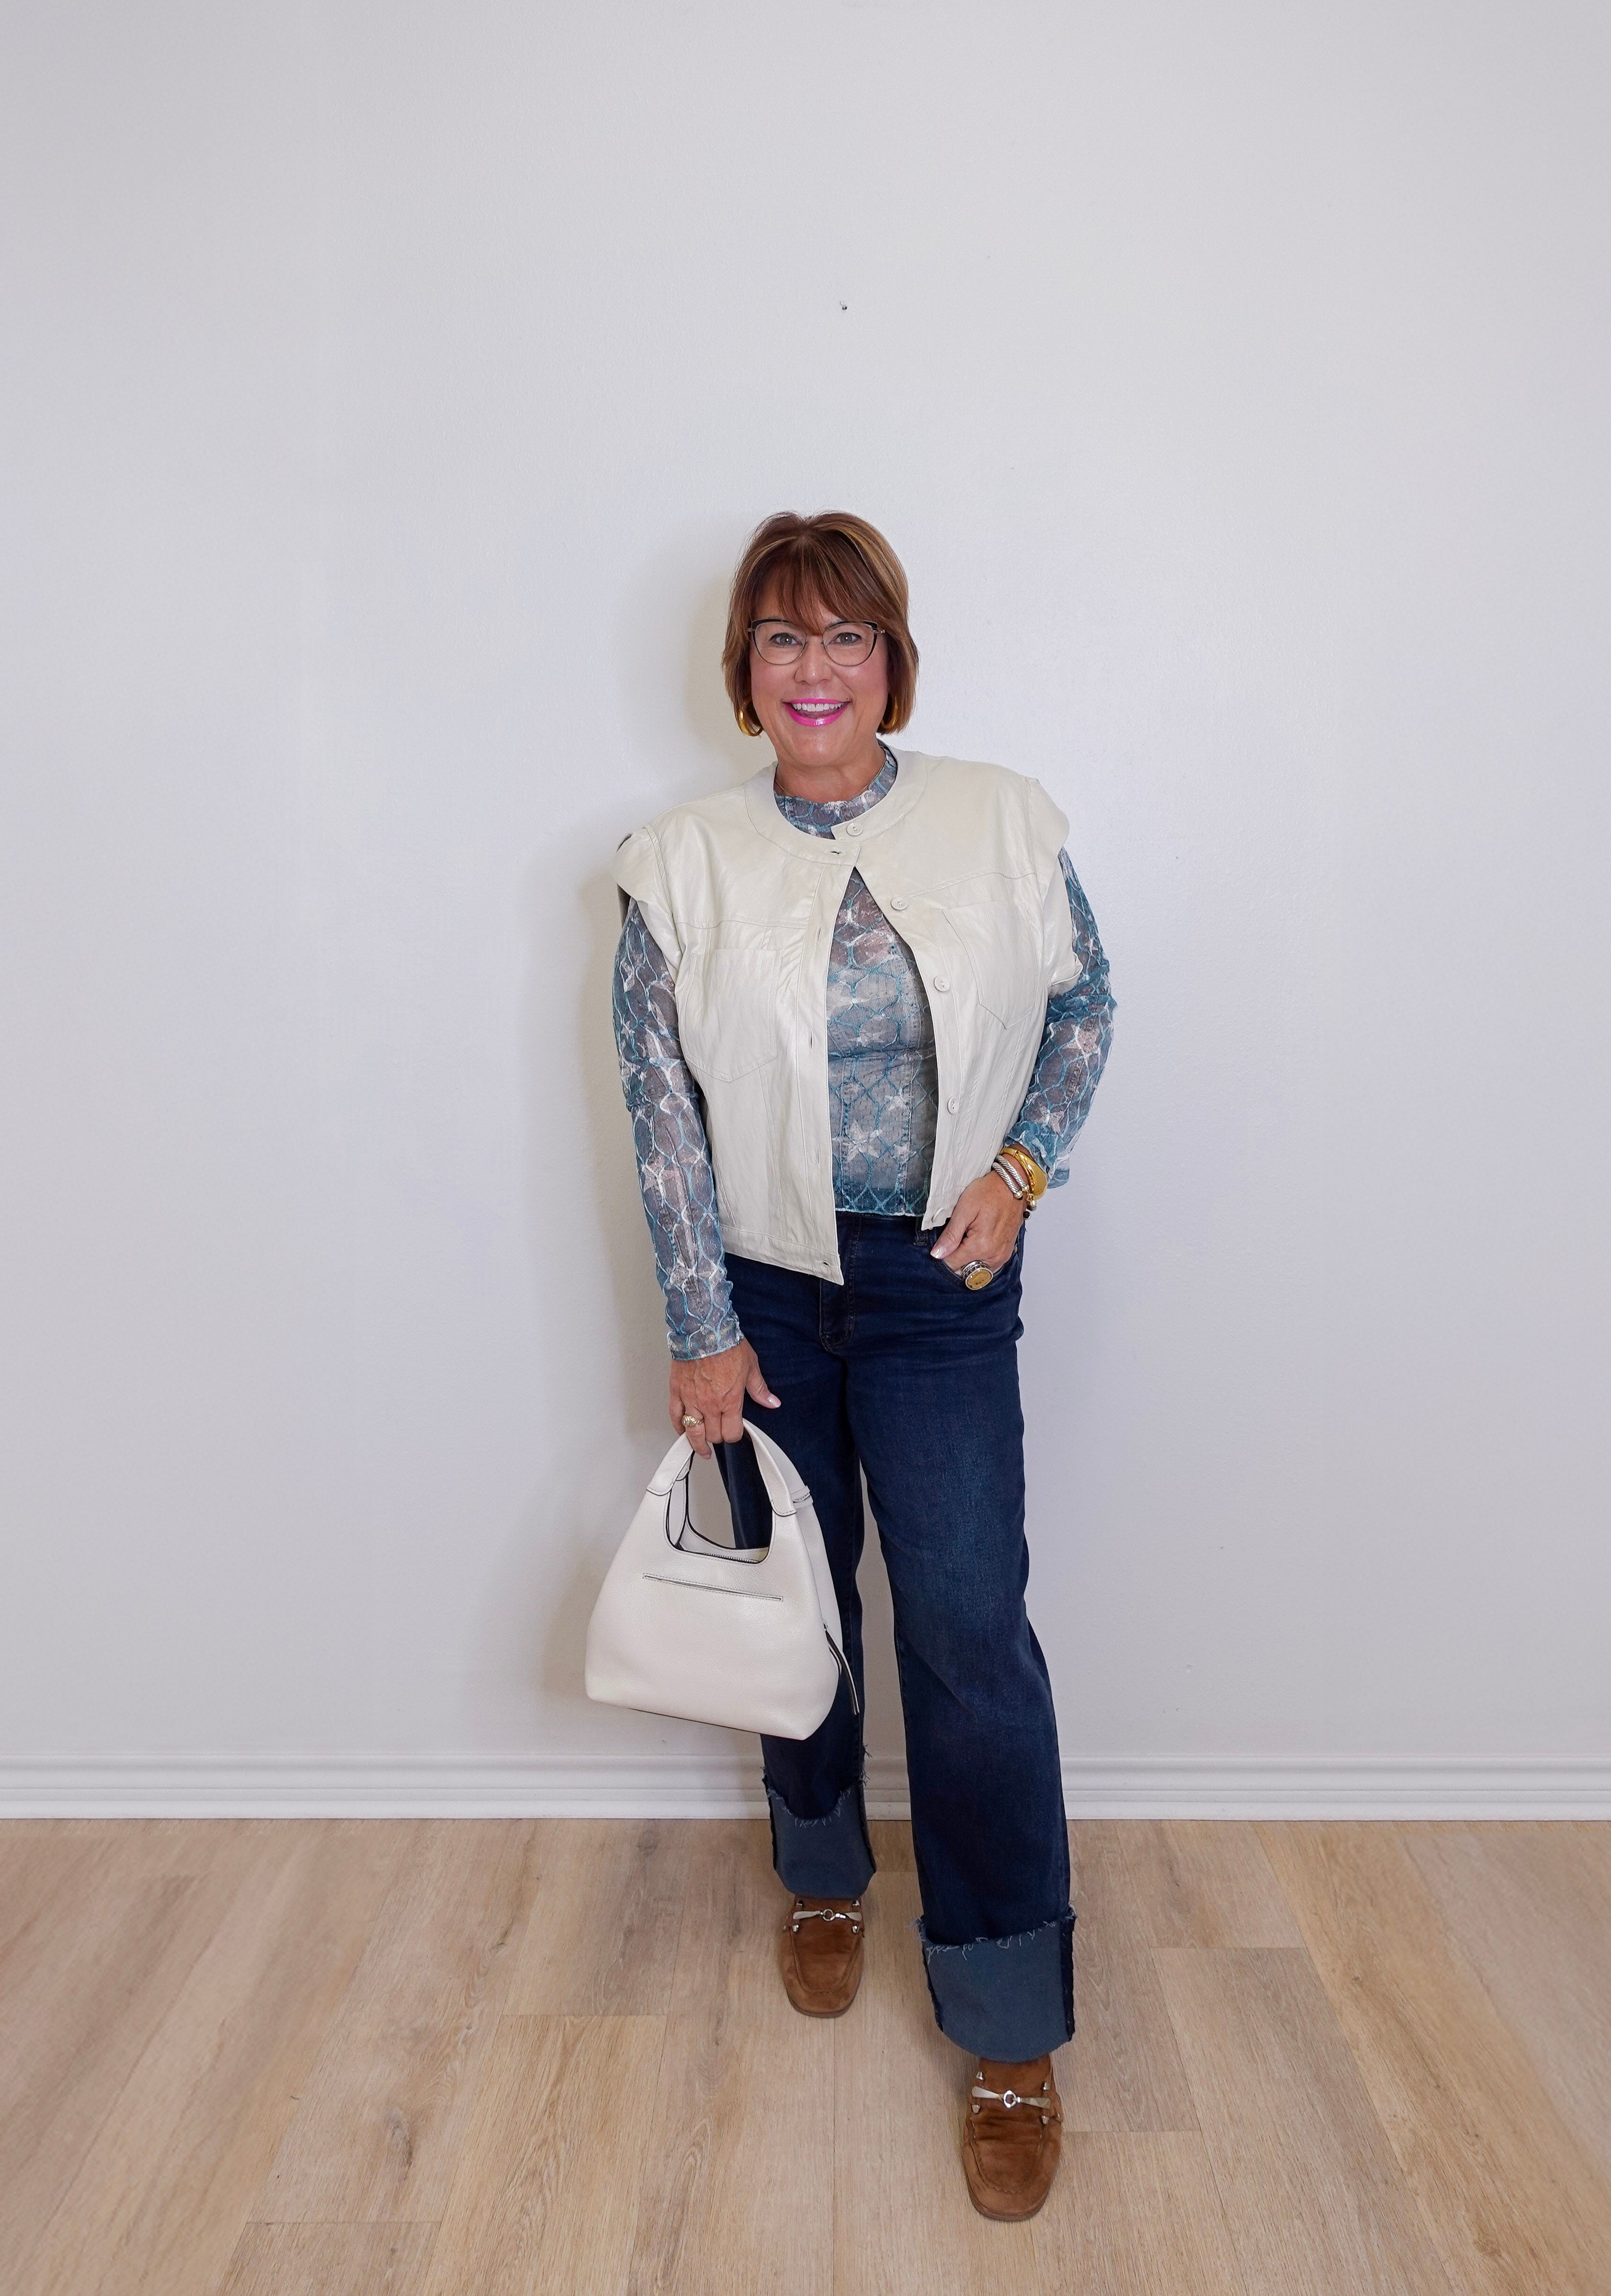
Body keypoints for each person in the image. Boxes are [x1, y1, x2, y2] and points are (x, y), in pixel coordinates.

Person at [611, 511, 1114, 2220]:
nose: (815, 671)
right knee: (792, 1609)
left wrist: (1018, 1173)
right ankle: (823, 1869)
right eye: (780, 641)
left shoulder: (998, 819)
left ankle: (1005, 2012)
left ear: (893, 658)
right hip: (759, 1289)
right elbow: (660, 1107)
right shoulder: (674, 860)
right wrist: (697, 1324)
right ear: (742, 674)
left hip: (939, 1284)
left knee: (968, 1630)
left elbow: (1086, 1006)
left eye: (847, 638)